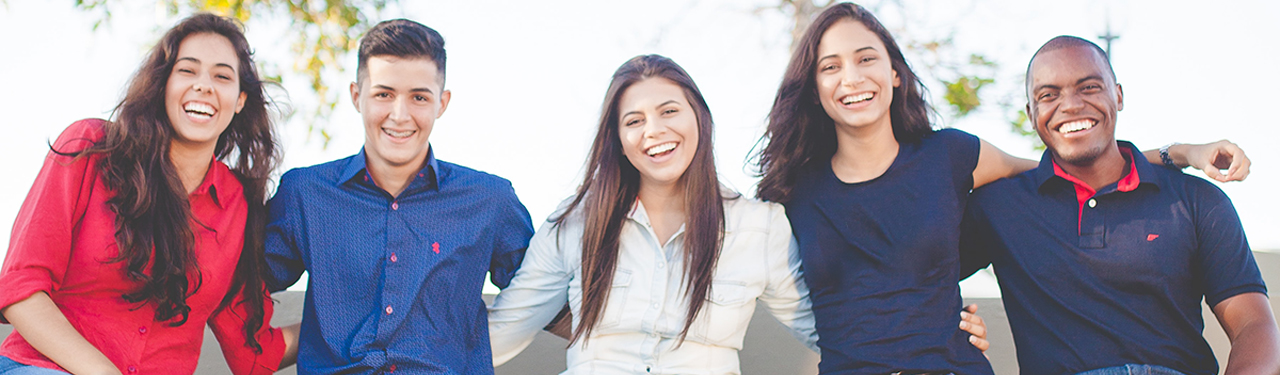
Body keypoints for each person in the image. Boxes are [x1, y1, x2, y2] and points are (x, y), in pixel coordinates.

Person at [752, 3, 1250, 374]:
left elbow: (1065, 166)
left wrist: (1177, 153)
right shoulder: (795, 190)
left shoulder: (950, 156)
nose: (852, 77)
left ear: (896, 73)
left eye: (866, 58)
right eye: (831, 66)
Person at [486, 55, 988, 375]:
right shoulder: (575, 223)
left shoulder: (758, 227)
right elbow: (497, 337)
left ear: (699, 119)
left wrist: (938, 332)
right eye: (633, 121)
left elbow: (836, 329)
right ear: (617, 140)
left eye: (669, 111)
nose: (654, 131)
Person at [958, 36, 1280, 375]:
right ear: (1031, 113)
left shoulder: (1195, 200)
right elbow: (910, 275)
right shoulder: (998, 207)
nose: (1069, 105)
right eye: (1048, 95)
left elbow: (1254, 326)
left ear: (1119, 95)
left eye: (1089, 87)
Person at [0, 13, 297, 375]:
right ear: (163, 85)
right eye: (187, 70)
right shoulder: (90, 149)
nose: (204, 85)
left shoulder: (238, 205)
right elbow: (21, 290)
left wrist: (360, 328)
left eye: (222, 76)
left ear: (239, 100)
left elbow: (252, 353)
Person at [263, 19, 534, 374]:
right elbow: (239, 283)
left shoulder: (490, 201)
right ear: (356, 95)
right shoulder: (305, 193)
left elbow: (545, 293)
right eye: (383, 94)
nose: (399, 115)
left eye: (419, 97)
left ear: (442, 103)